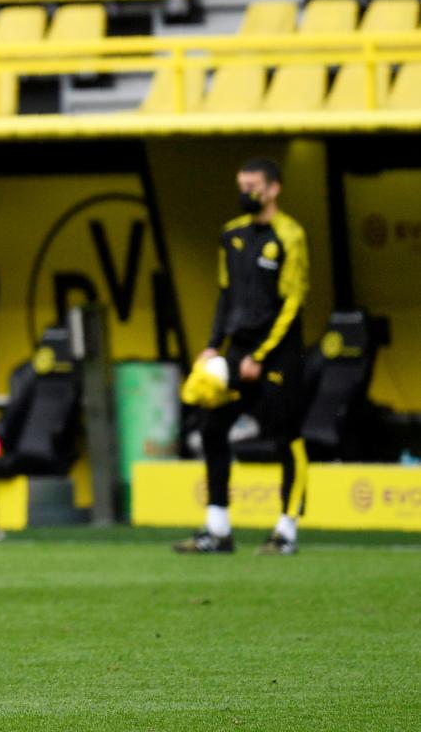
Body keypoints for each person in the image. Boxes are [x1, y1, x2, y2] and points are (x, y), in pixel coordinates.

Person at [178, 157, 309, 556]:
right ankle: (218, 530)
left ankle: (286, 531)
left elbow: (293, 302)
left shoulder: (290, 236)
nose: (245, 193)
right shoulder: (231, 235)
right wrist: (214, 344)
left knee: (286, 439)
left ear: (273, 189)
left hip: (277, 356)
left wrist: (262, 355)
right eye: (241, 185)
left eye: (253, 186)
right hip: (236, 354)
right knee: (211, 427)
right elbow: (225, 294)